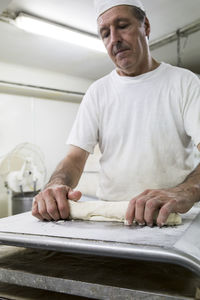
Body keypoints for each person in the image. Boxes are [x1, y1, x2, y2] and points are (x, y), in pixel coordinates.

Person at [32, 0, 200, 227]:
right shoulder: (98, 92)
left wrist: (185, 192)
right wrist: (54, 185)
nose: (114, 39)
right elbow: (74, 158)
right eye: (105, 33)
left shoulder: (184, 83)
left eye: (122, 26)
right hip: (113, 223)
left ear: (146, 27)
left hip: (173, 219)